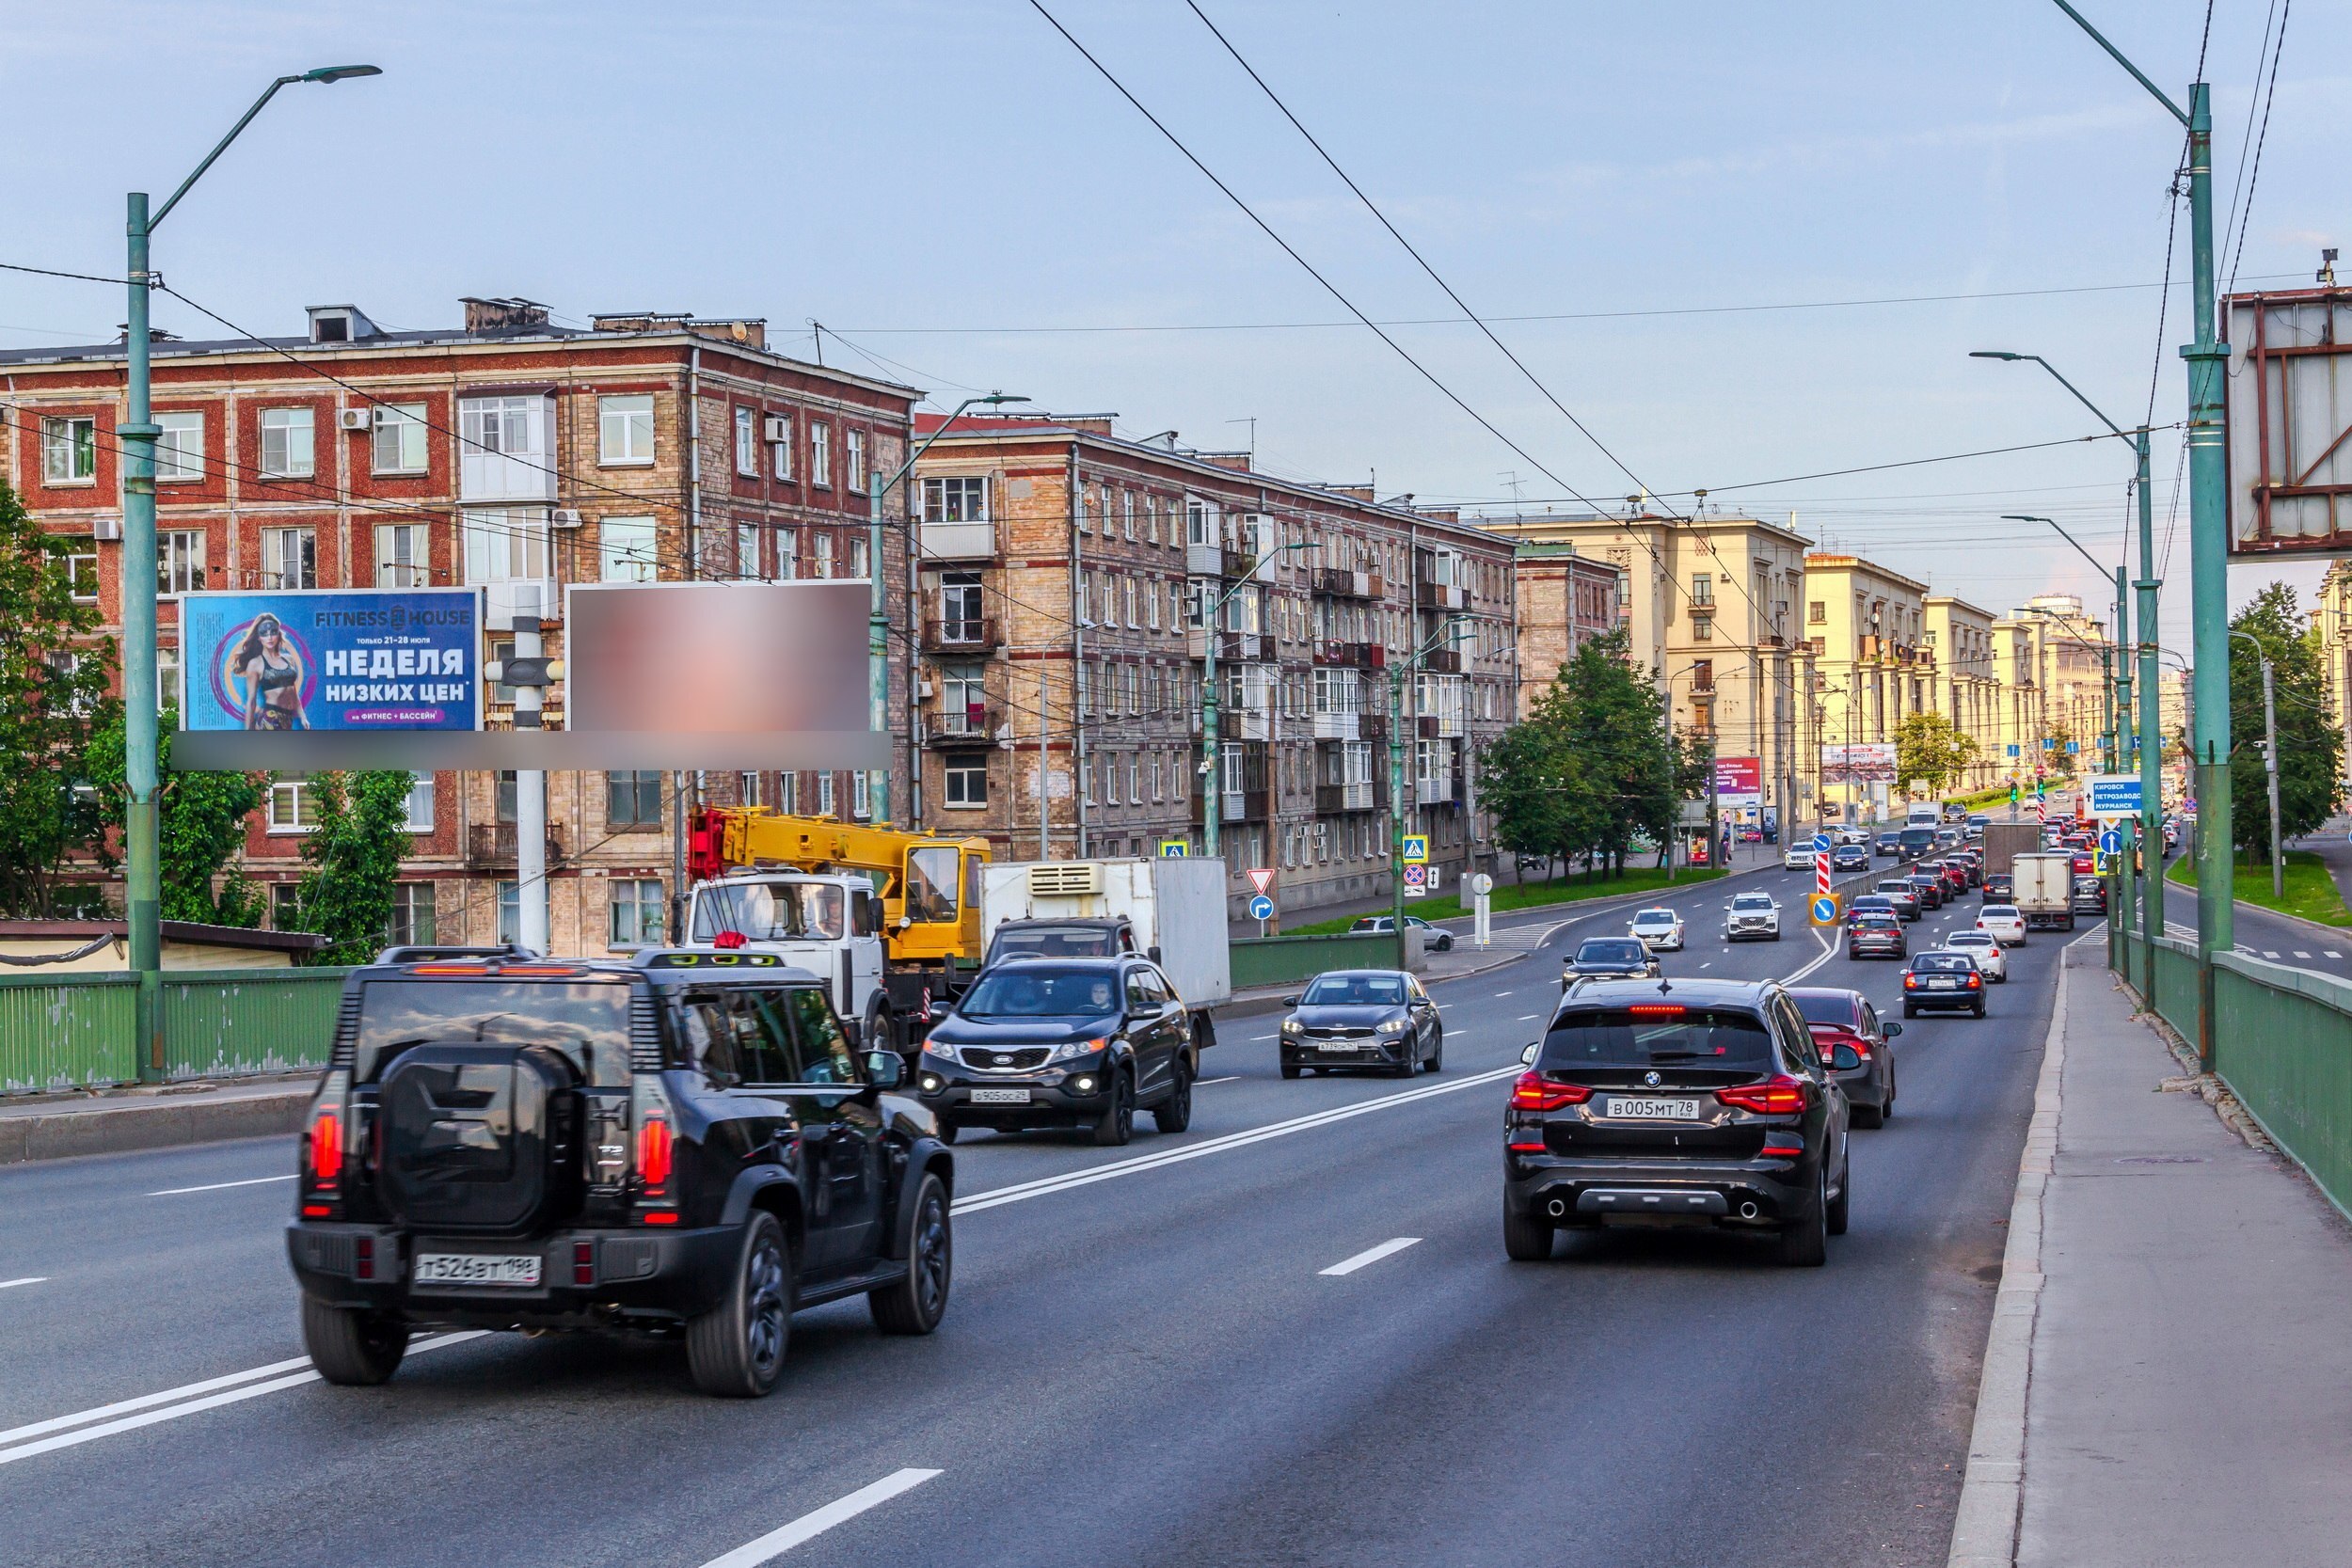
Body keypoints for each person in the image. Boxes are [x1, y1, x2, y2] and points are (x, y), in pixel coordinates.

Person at [230, 613, 308, 730]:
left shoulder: (289, 659)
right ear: (258, 638)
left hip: (288, 719)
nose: (270, 638)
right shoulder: (256, 663)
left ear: (278, 634)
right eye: (264, 634)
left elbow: (293, 693)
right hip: (270, 719)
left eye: (273, 632)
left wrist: (303, 717)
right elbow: (251, 700)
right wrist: (247, 731)